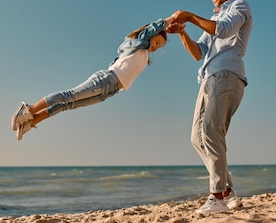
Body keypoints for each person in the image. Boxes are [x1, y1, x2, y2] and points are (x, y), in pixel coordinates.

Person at [169, 0, 252, 214]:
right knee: (197, 137)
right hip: (207, 80)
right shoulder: (213, 19)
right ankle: (227, 190)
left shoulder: (239, 6)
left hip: (227, 75)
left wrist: (191, 16)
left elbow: (224, 31)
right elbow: (198, 53)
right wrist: (183, 32)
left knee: (211, 132)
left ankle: (217, 196)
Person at [11, 17, 175, 141]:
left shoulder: (144, 55)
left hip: (110, 90)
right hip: (106, 80)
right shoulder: (136, 44)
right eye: (157, 42)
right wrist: (168, 21)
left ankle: (30, 123)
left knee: (67, 105)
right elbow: (149, 32)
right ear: (151, 35)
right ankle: (28, 110)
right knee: (69, 95)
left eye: (159, 46)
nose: (156, 46)